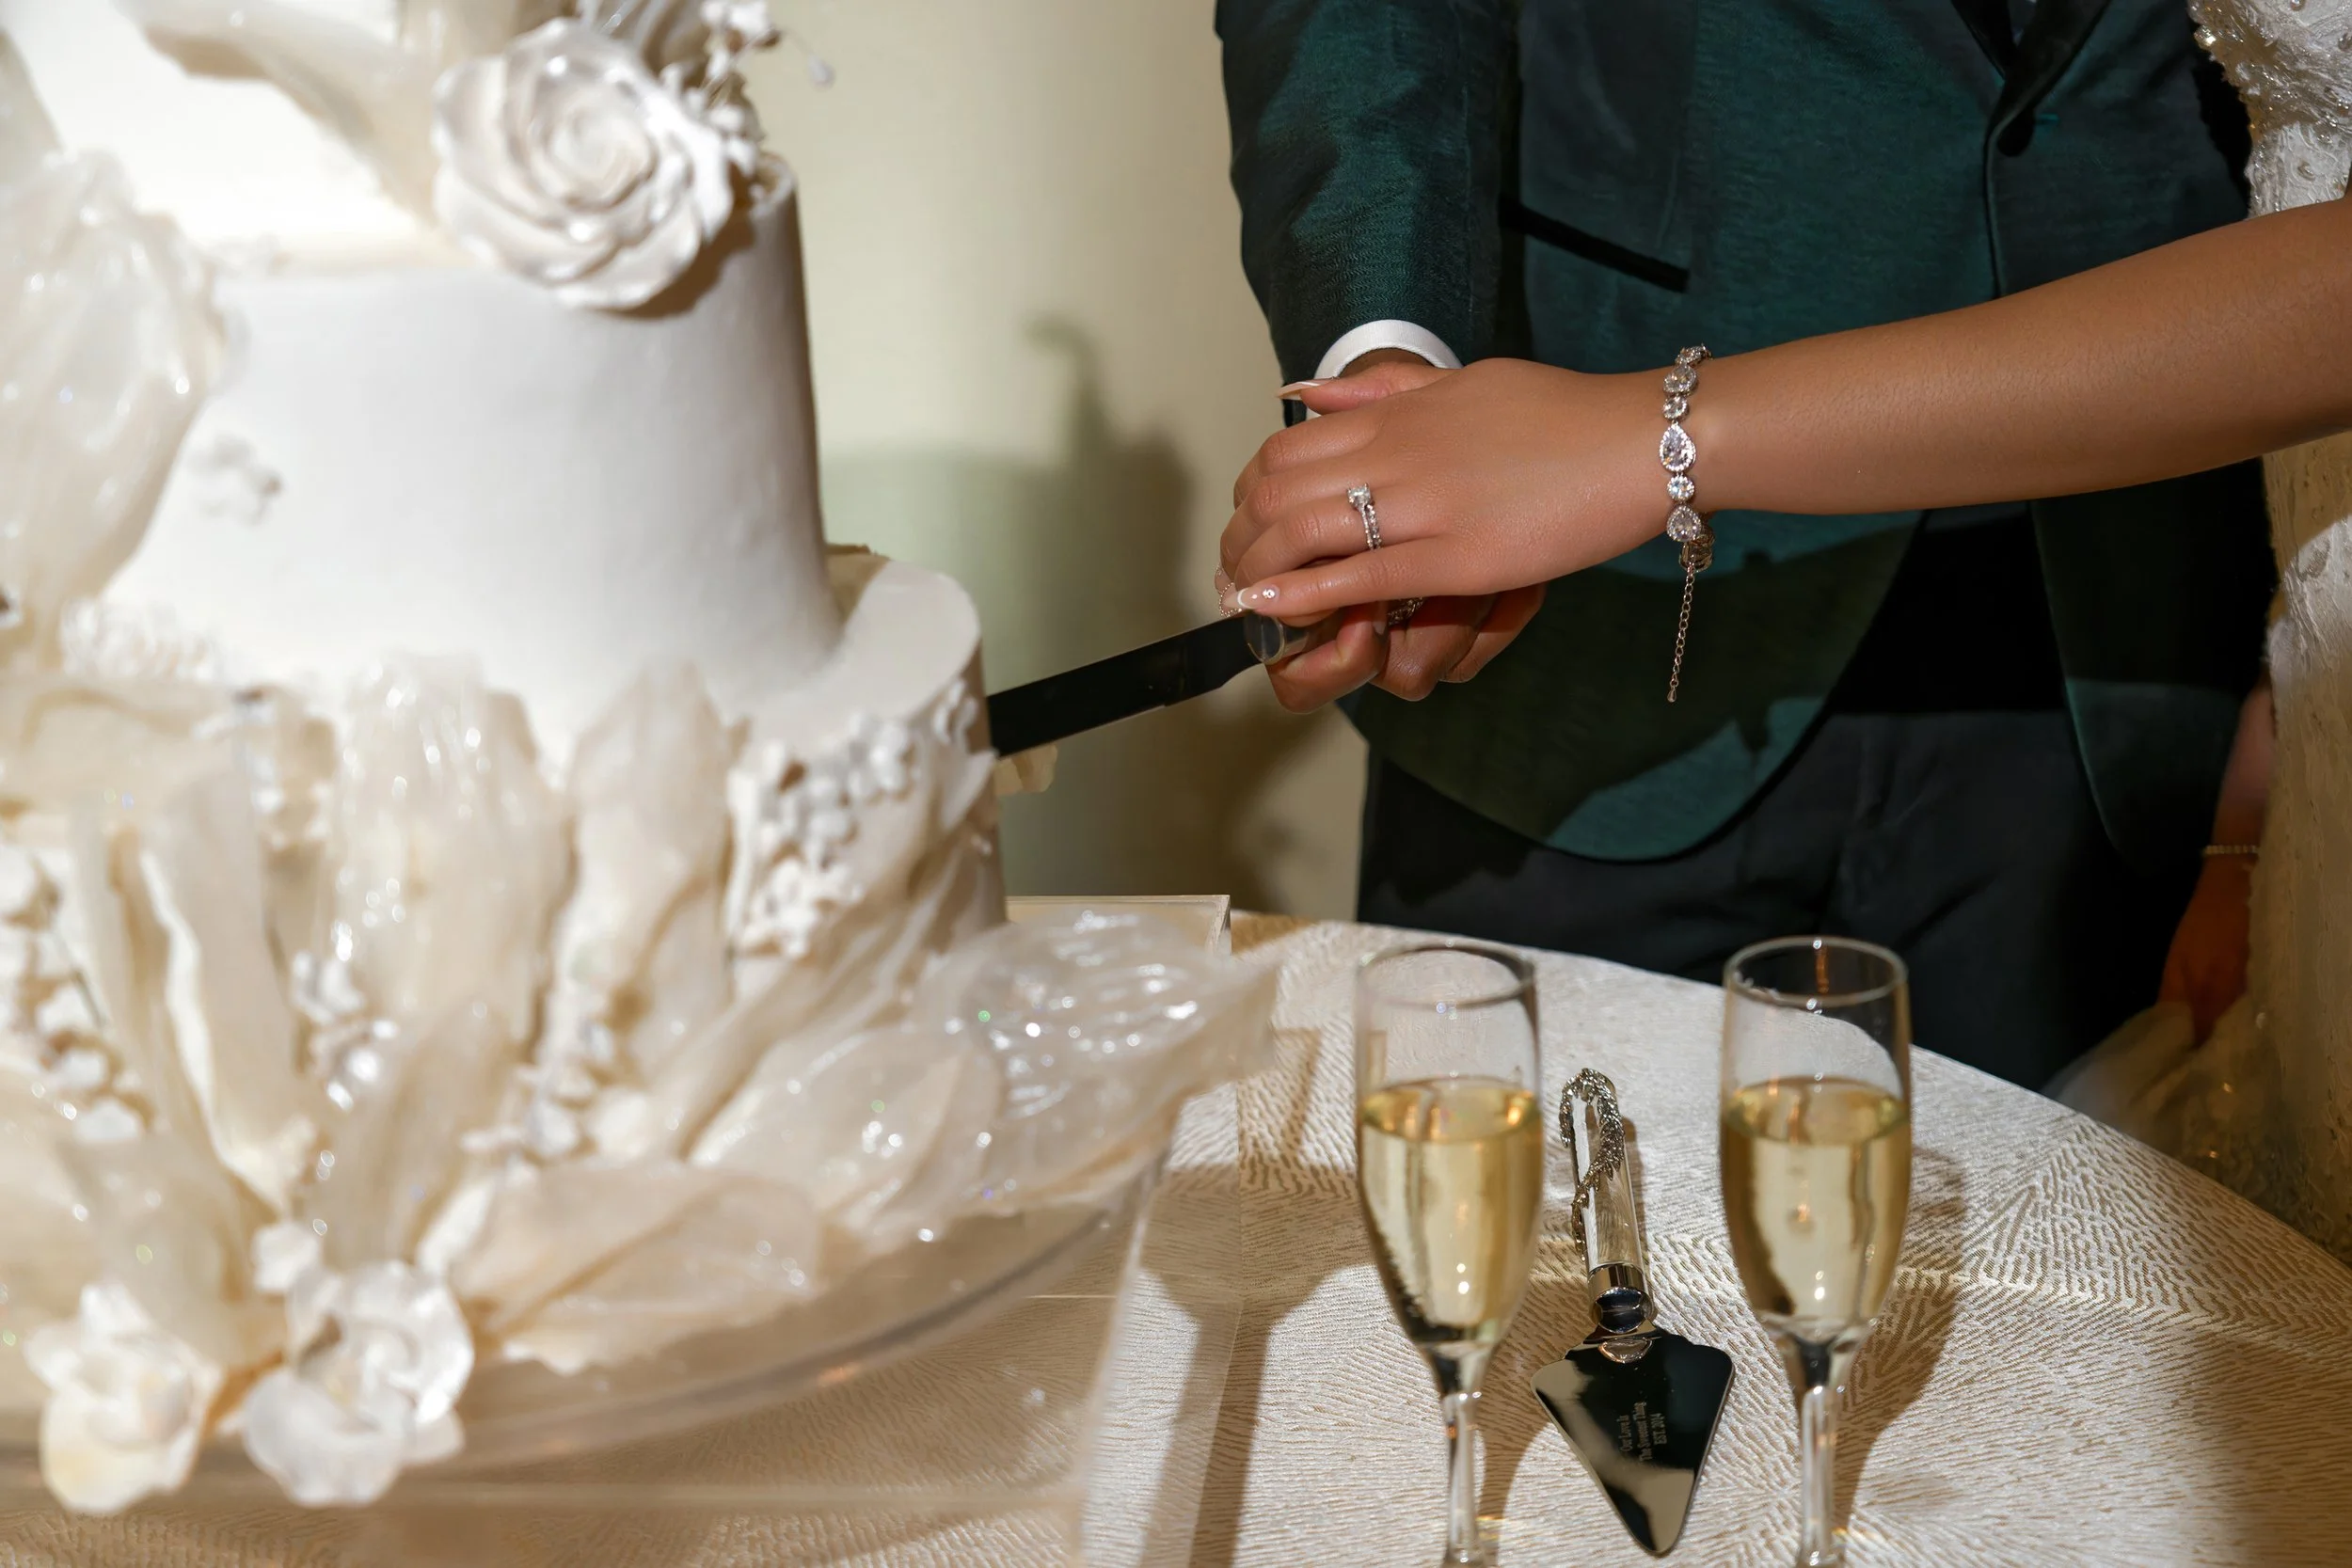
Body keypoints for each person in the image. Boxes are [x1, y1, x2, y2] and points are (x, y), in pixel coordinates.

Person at [1217, 1, 2352, 1259]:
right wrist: (1388, 377)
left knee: (2039, 1329)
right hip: (1592, 640)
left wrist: (1660, 438)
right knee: (1517, 1296)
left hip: (2113, 649)